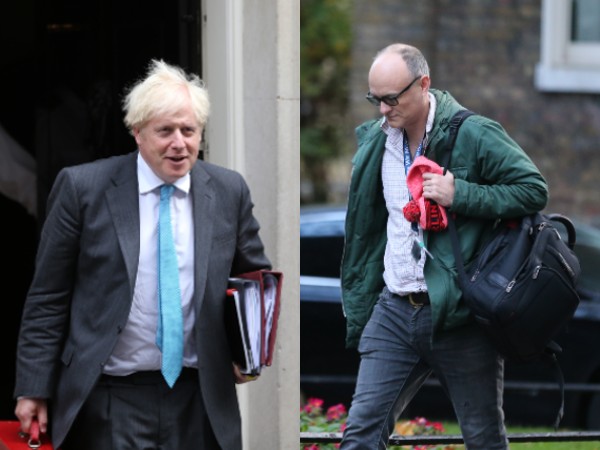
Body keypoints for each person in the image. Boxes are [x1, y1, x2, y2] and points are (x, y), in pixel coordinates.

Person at [14, 59, 271, 450]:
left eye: (189, 130)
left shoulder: (228, 190)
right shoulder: (83, 189)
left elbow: (255, 279)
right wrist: (33, 388)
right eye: (164, 131)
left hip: (199, 396)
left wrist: (248, 352)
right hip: (109, 397)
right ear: (137, 132)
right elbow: (48, 297)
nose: (179, 142)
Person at [339, 43, 548, 449]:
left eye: (391, 98)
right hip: (395, 309)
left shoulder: (473, 133)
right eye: (374, 99)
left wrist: (462, 194)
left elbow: (533, 189)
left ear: (423, 85)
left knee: (484, 439)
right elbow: (366, 230)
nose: (382, 109)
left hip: (459, 315)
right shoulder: (376, 143)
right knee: (360, 436)